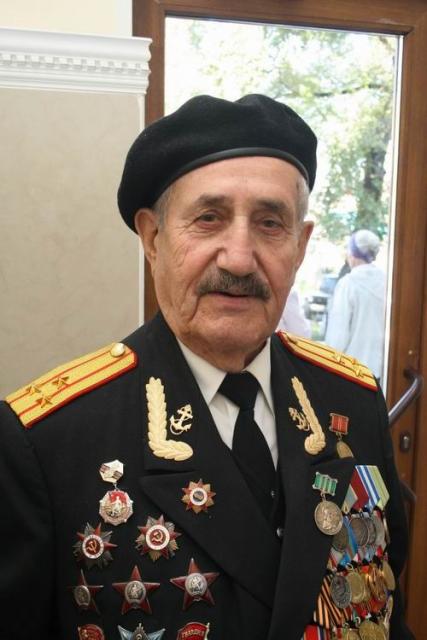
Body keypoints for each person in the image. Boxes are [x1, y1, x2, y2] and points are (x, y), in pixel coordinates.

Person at [0, 95, 412, 640]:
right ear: (153, 238)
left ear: (300, 245)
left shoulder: (351, 400)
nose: (239, 258)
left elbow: (383, 610)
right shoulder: (48, 439)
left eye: (270, 223)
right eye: (208, 219)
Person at [325, 229, 386, 379]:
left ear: (353, 254)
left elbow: (338, 337)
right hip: (381, 371)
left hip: (354, 372)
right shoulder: (387, 282)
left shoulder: (348, 284)